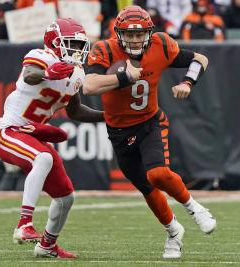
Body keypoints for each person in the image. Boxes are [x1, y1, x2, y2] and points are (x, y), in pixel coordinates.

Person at [83, 5, 216, 259]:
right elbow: (89, 87)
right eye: (129, 35)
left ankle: (195, 208)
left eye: (140, 34)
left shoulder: (161, 45)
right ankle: (174, 233)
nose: (134, 40)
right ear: (118, 34)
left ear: (149, 33)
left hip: (150, 122)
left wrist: (188, 82)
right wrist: (123, 77)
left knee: (158, 174)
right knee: (147, 189)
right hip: (119, 132)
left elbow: (201, 59)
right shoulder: (104, 49)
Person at [0, 18, 104, 258]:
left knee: (66, 197)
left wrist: (108, 117)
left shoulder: (76, 73)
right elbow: (30, 74)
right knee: (43, 158)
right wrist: (48, 73)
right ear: (54, 43)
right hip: (10, 132)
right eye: (71, 44)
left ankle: (47, 246)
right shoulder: (41, 56)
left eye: (79, 45)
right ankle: (24, 224)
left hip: (33, 137)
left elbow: (75, 111)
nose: (77, 50)